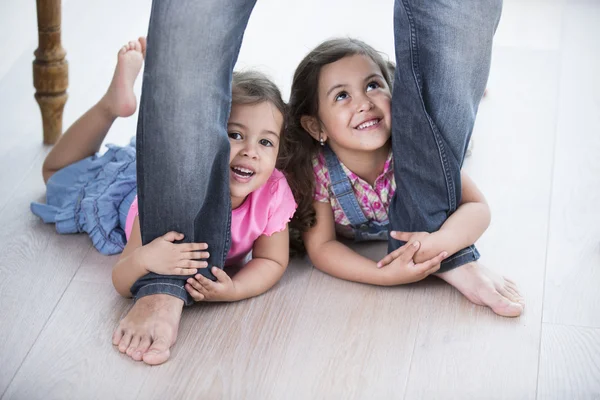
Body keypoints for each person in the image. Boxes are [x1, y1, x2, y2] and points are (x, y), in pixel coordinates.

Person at [34, 38, 296, 364]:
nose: (250, 151)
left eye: (266, 142)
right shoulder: (170, 198)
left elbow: (272, 261)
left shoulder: (272, 192)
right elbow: (121, 279)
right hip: (130, 188)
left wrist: (236, 289)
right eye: (235, 134)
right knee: (54, 173)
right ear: (207, 135)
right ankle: (111, 106)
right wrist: (147, 259)